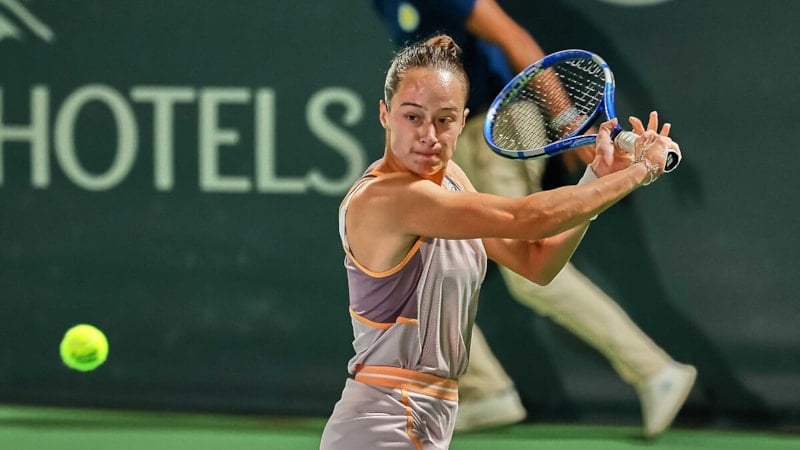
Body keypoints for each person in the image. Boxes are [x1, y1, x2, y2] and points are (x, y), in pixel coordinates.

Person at [319, 33, 680, 449]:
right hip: (380, 424)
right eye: (412, 117)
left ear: (463, 119)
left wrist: (597, 176)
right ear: (384, 114)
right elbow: (526, 218)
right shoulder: (387, 199)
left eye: (444, 119)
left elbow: (536, 262)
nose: (429, 135)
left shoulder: (453, 179)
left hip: (428, 419)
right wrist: (639, 172)